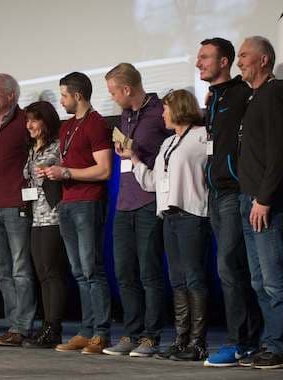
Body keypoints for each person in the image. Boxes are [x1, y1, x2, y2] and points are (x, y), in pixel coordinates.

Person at [195, 37, 262, 368]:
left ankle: (243, 343)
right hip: (215, 192)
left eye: (205, 57)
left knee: (231, 268)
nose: (198, 63)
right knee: (230, 269)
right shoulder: (214, 99)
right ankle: (245, 341)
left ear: (225, 62)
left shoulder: (240, 95)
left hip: (235, 191)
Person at [132, 89, 211, 361]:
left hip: (191, 213)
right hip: (169, 216)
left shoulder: (202, 136)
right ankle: (181, 339)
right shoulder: (167, 143)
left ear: (178, 109)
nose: (162, 114)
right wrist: (133, 159)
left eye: (165, 109)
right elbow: (152, 182)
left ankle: (198, 342)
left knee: (194, 278)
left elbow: (211, 172)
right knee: (177, 280)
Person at [235, 36, 283, 370]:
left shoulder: (274, 93)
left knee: (274, 278)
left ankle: (282, 347)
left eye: (244, 55)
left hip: (265, 202)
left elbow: (279, 153)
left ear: (263, 60)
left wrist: (264, 198)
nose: (239, 60)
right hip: (249, 200)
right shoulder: (254, 97)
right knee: (259, 280)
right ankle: (269, 342)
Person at [102, 63, 171, 357]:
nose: (112, 97)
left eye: (113, 91)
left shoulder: (159, 113)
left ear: (127, 89)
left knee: (149, 273)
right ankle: (131, 334)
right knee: (124, 272)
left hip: (149, 201)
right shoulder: (125, 115)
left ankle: (151, 337)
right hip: (124, 202)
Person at [45, 72, 113, 355]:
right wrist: (53, 170)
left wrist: (68, 172)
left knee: (91, 268)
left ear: (78, 96)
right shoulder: (67, 127)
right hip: (68, 201)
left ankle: (101, 332)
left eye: (63, 95)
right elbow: (68, 160)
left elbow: (104, 169)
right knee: (78, 271)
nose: (61, 101)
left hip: (88, 201)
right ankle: (86, 330)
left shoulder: (96, 124)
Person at [0, 73, 37, 347]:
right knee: (0, 270)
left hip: (16, 206)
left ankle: (23, 327)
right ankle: (14, 324)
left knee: (20, 269)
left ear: (11, 95)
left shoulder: (25, 122)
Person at [19, 101, 69, 349]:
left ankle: (54, 327)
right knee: (42, 274)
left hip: (53, 217)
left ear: (46, 122)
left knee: (52, 273)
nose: (29, 125)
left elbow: (64, 174)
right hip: (35, 218)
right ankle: (46, 326)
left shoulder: (58, 147)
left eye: (34, 120)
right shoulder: (32, 150)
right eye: (27, 120)